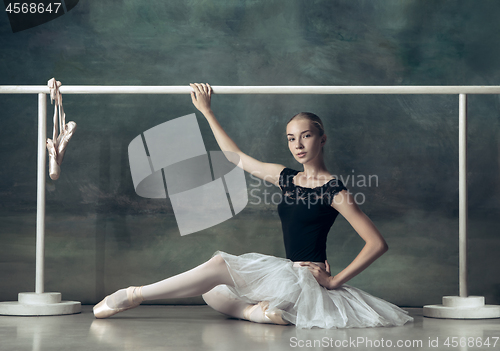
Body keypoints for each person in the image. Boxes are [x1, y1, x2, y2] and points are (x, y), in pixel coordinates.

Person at [93, 83, 413, 329]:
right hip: (287, 275)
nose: (298, 145)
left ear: (322, 138)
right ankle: (260, 314)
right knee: (211, 290)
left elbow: (377, 243)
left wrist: (333, 281)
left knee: (219, 266)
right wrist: (207, 111)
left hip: (307, 278)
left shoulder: (334, 190)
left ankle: (134, 295)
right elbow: (238, 158)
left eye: (306, 136)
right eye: (290, 138)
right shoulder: (286, 177)